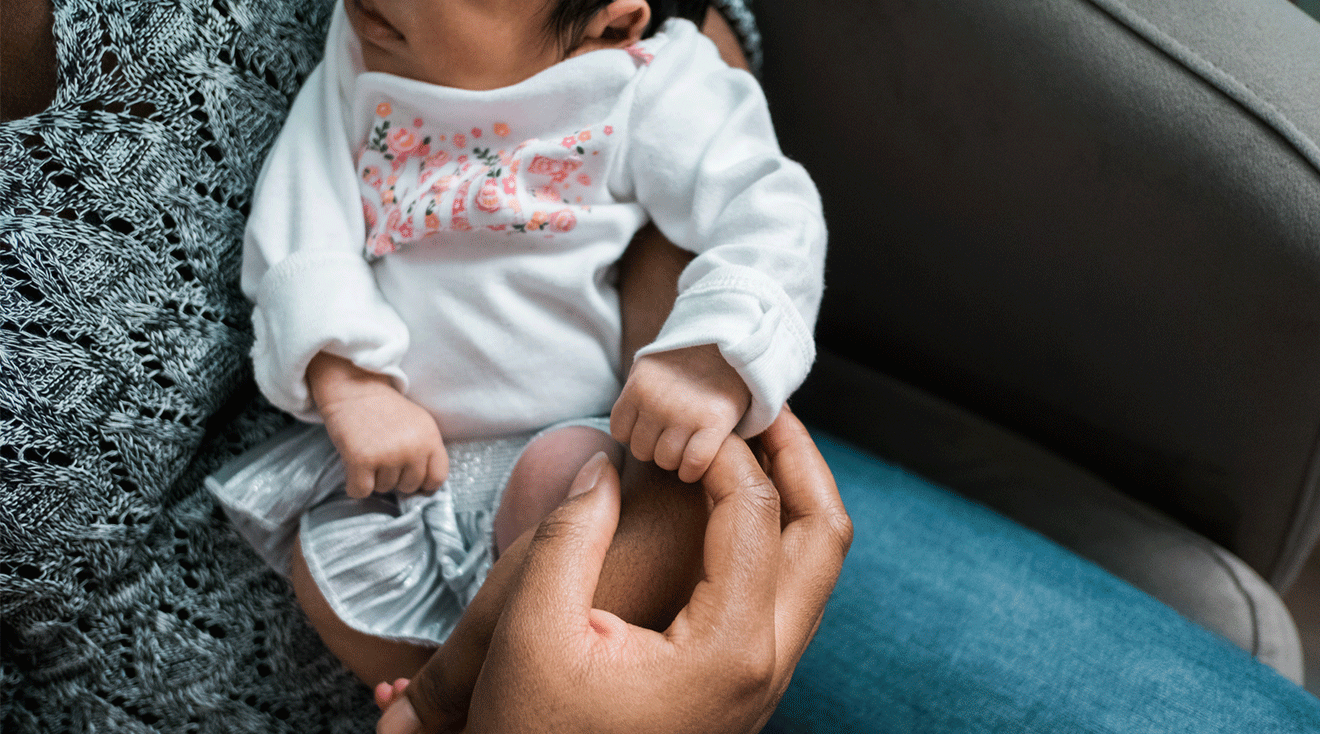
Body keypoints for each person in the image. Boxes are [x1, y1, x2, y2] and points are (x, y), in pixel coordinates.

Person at [205, 0, 823, 692]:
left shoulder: (647, 78)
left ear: (613, 25)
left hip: (564, 434)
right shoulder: (364, 53)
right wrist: (349, 380)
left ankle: (495, 691)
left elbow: (770, 208)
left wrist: (708, 353)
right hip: (416, 467)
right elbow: (303, 215)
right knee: (325, 577)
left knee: (583, 492)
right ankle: (436, 691)